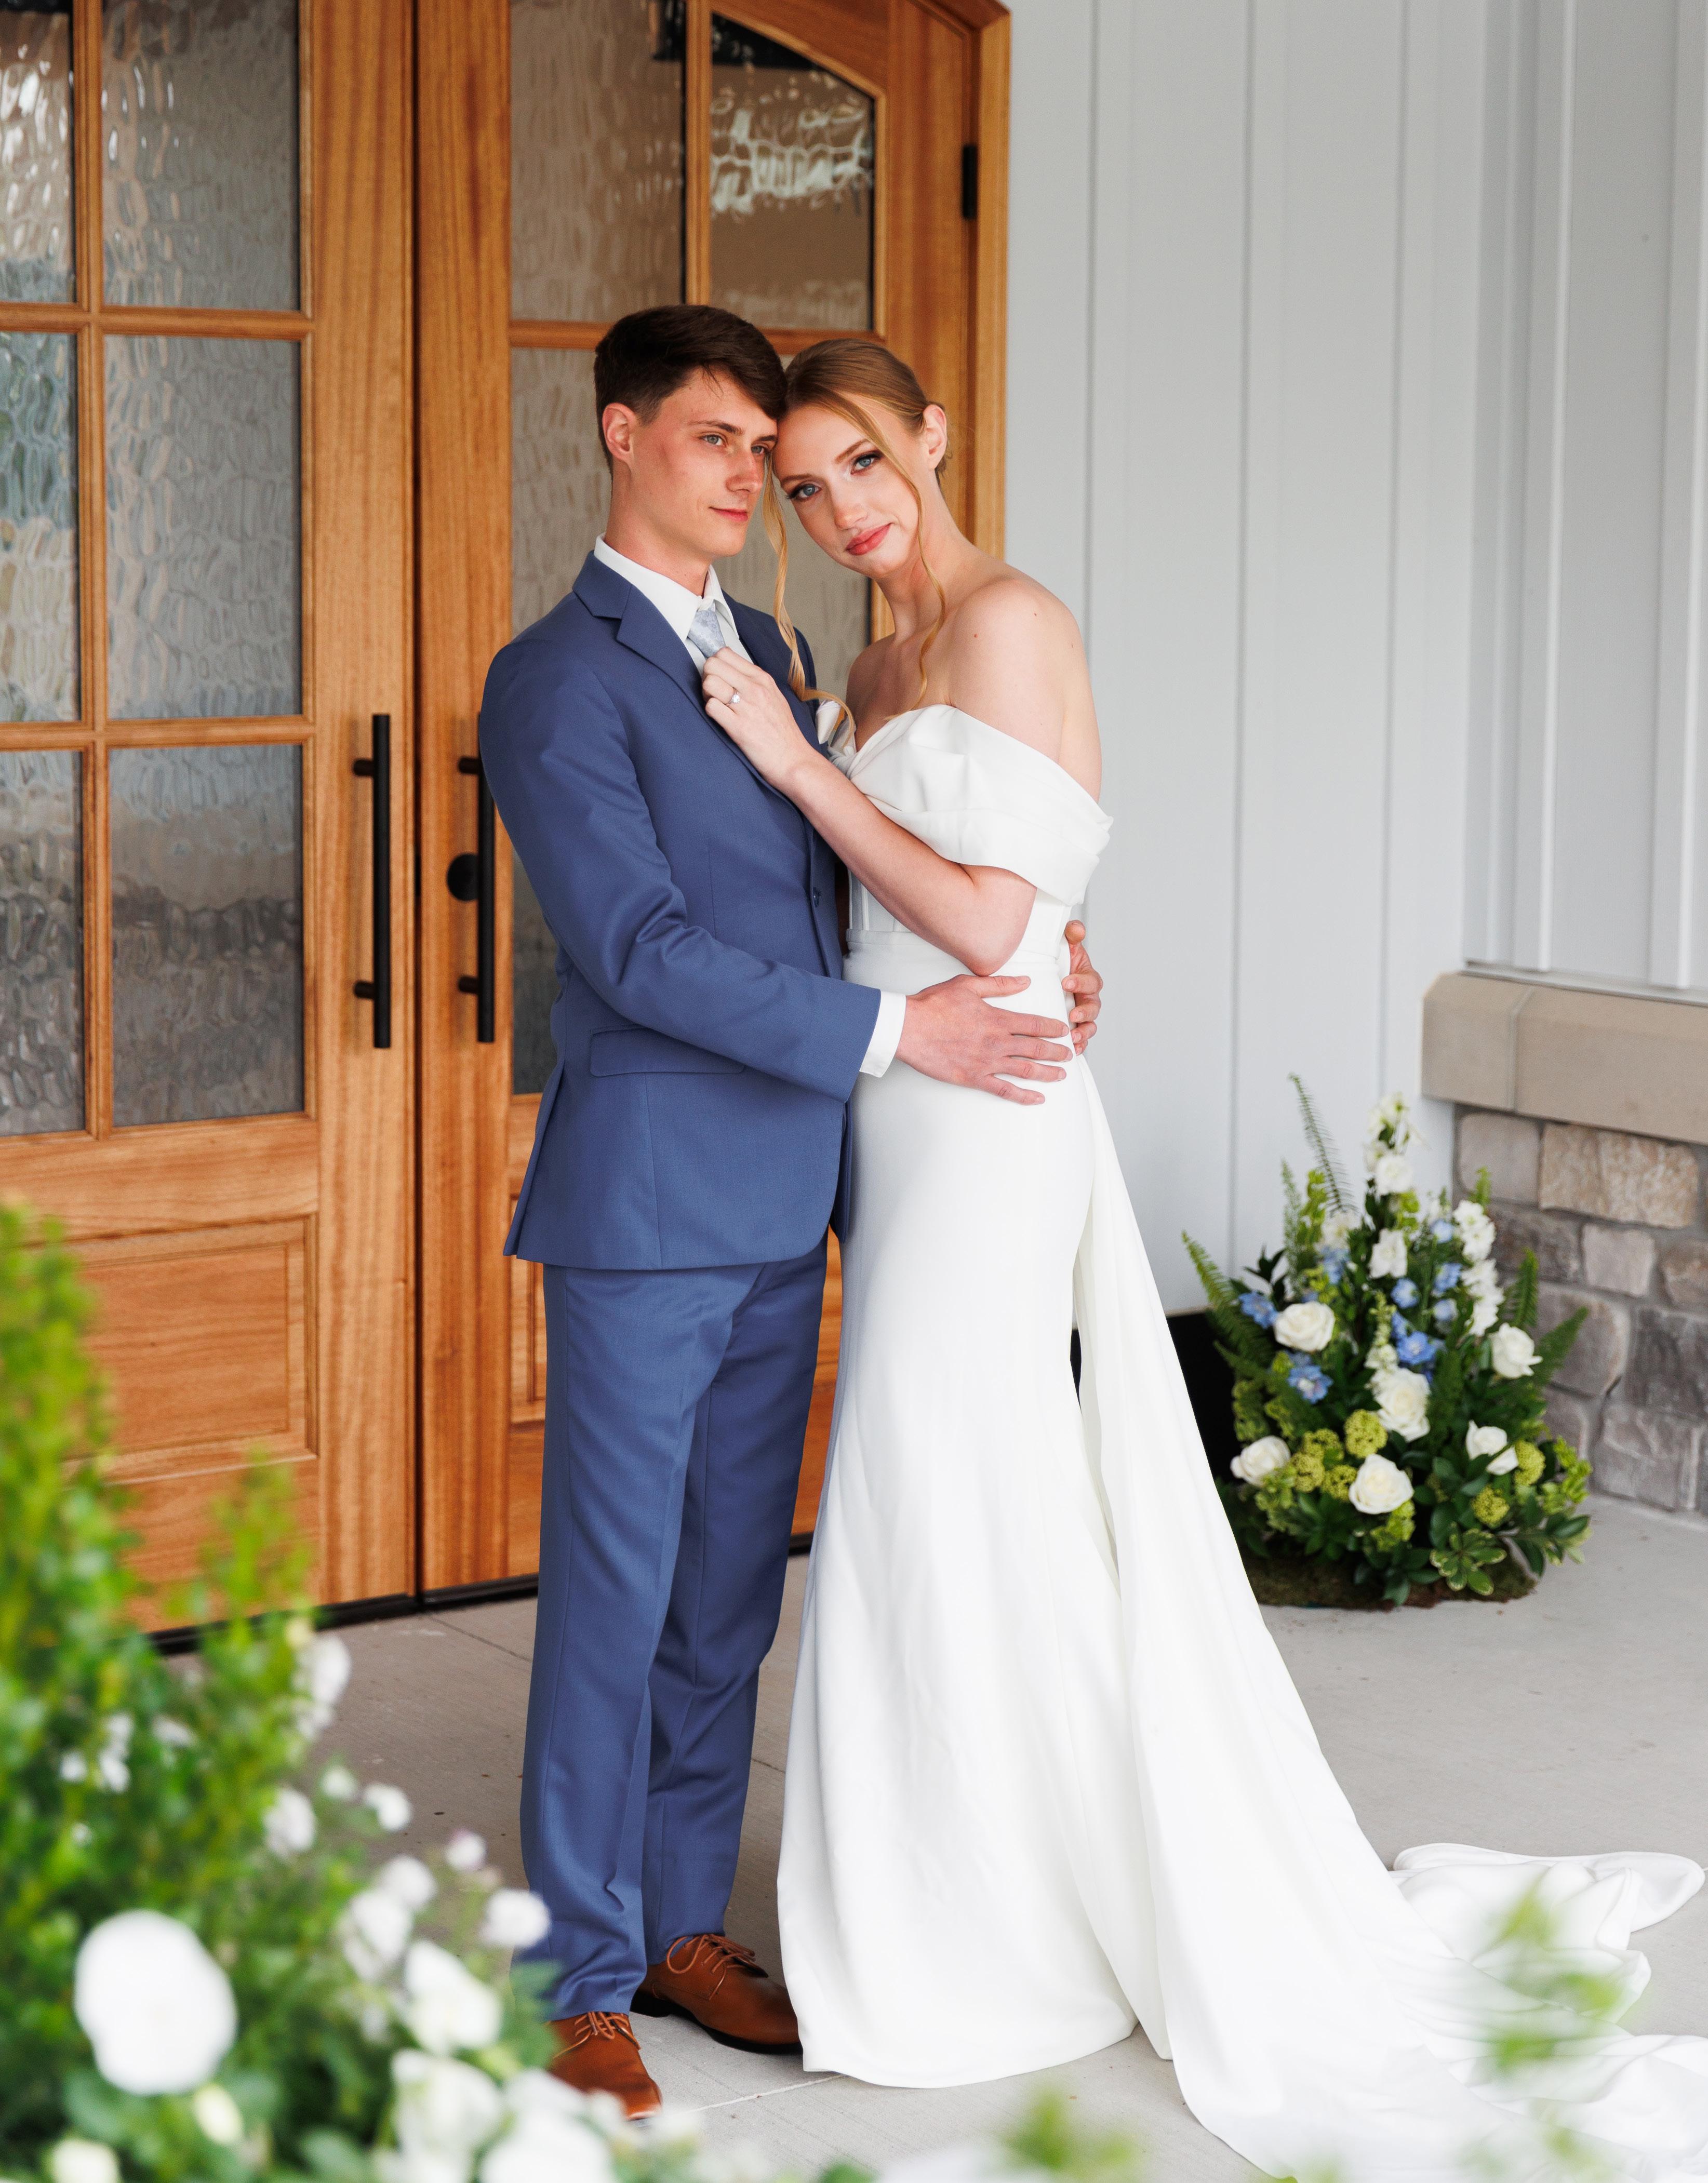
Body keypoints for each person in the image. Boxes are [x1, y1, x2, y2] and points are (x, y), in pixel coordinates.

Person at [702, 335, 1708, 2181]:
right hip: (903, 1105)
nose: (844, 509)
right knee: (953, 1498)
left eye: (865, 462)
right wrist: (1009, 920)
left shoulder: (1012, 620)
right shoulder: (872, 664)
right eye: (807, 486)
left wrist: (796, 768)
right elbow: (961, 905)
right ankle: (993, 1893)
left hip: (992, 1116)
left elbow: (993, 913)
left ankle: (992, 1930)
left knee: (937, 1477)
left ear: (933, 436)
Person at [477, 304, 1104, 2117]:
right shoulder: (555, 676)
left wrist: (1049, 948)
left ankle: (681, 1923)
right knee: (614, 1598)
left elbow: (853, 891)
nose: (755, 477)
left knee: (727, 1599)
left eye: (773, 450)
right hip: (646, 1204)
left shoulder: (775, 647)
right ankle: (573, 1973)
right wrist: (907, 1031)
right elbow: (641, 950)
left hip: (800, 1192)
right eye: (717, 440)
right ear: (619, 436)